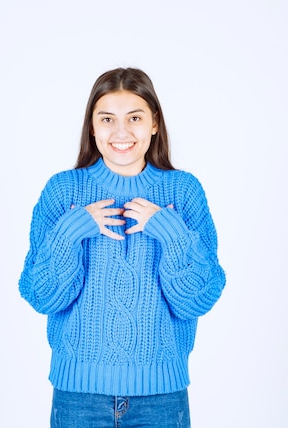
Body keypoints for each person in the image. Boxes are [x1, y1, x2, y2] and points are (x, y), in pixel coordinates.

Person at [19, 67, 226, 427]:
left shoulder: (182, 192)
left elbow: (199, 299)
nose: (121, 132)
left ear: (154, 123)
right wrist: (71, 232)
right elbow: (41, 295)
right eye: (107, 119)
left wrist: (170, 232)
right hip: (79, 397)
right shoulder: (63, 192)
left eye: (134, 117)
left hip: (161, 398)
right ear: (93, 127)